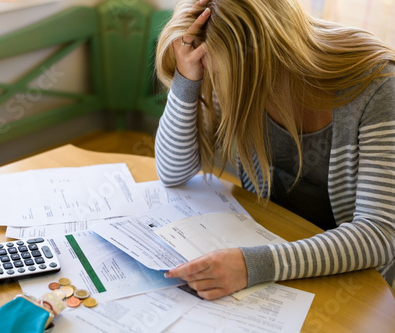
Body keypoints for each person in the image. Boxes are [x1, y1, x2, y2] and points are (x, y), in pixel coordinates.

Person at [155, 0, 395, 300]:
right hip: (273, 248)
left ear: (265, 56)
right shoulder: (233, 69)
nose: (216, 84)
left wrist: (252, 264)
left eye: (215, 73)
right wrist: (187, 78)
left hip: (353, 278)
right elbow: (171, 171)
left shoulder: (377, 84)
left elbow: (380, 234)